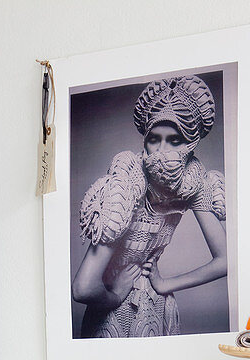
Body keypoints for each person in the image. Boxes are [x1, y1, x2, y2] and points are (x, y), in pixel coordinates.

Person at [72, 74, 227, 339]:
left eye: (174, 140)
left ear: (191, 143)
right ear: (144, 139)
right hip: (112, 312)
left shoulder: (196, 181)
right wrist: (115, 295)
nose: (161, 150)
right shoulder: (127, 179)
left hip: (158, 308)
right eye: (154, 138)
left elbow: (226, 262)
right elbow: (83, 289)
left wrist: (166, 284)